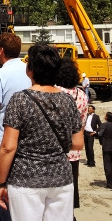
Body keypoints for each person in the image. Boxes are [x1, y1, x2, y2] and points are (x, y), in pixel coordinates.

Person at [0, 42, 83, 221]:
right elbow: (77, 143)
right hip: (61, 178)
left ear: (30, 70)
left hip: (26, 179)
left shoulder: (20, 100)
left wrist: (1, 182)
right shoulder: (67, 100)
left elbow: (8, 147)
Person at [0, 32, 31, 221]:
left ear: (1, 50)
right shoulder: (29, 70)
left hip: (4, 141)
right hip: (28, 141)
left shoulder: (0, 73)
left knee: (3, 198)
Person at [56, 56, 88, 218]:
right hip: (74, 153)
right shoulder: (82, 95)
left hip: (56, 152)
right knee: (70, 190)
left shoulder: (56, 93)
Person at [98, 111, 112, 189]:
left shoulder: (104, 125)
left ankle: (110, 184)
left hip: (106, 147)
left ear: (107, 117)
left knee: (107, 165)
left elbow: (100, 134)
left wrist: (101, 142)